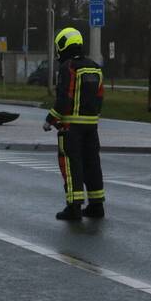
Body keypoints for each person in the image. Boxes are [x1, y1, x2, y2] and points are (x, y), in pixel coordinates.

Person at [43, 27, 105, 221]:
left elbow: (65, 98)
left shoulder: (68, 67)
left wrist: (50, 119)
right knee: (92, 164)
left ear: (63, 45)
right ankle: (97, 206)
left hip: (71, 128)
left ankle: (74, 207)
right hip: (91, 127)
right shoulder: (95, 67)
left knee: (71, 166)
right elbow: (100, 97)